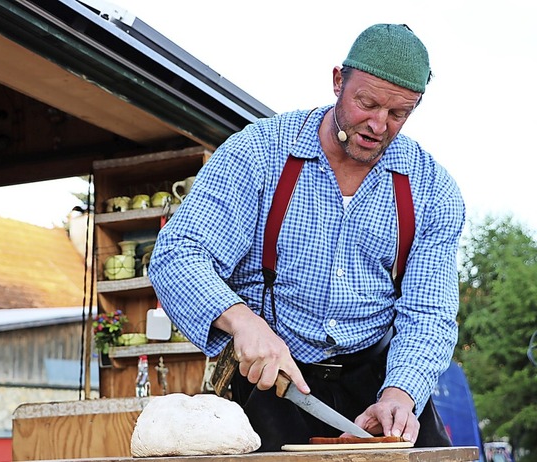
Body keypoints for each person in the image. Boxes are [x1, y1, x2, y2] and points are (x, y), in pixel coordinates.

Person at [149, 23, 465, 451]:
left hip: (379, 380)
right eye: (366, 103)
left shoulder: (432, 190)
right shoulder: (259, 152)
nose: (377, 125)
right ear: (338, 81)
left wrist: (401, 393)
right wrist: (242, 321)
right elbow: (178, 253)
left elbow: (429, 313)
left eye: (398, 114)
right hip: (273, 380)